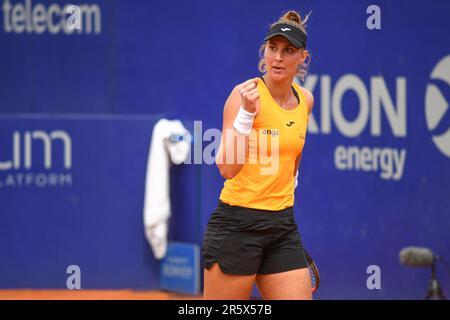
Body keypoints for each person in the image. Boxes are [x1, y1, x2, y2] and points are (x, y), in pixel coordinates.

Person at [202, 10, 315, 300]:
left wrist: (286, 191)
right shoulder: (244, 95)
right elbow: (227, 168)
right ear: (264, 51)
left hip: (282, 228)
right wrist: (246, 114)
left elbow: (293, 157)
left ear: (302, 57)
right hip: (237, 226)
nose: (278, 57)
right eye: (272, 48)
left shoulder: (306, 101)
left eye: (288, 50)